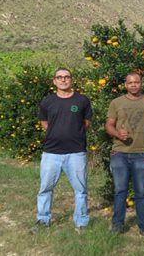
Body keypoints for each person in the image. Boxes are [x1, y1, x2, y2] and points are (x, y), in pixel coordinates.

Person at [105, 72, 144, 240]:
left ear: (141, 84)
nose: (133, 85)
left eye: (136, 82)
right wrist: (116, 133)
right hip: (119, 153)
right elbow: (108, 125)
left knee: (141, 192)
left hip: (142, 154)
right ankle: (117, 225)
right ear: (125, 85)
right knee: (120, 191)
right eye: (130, 82)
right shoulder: (116, 102)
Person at [35, 68, 92, 232]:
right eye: (59, 77)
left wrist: (72, 132)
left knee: (80, 190)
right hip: (51, 153)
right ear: (54, 81)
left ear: (71, 80)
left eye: (66, 77)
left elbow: (86, 123)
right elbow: (44, 122)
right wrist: (57, 132)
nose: (63, 80)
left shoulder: (82, 100)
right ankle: (43, 219)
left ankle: (81, 222)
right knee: (45, 188)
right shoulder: (47, 101)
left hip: (76, 152)